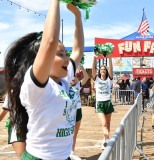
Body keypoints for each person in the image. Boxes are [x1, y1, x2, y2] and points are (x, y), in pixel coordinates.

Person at [4, 1, 84, 159]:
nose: (67, 59)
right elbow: (50, 42)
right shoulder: (36, 86)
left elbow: (78, 49)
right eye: (60, 54)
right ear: (42, 59)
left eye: (65, 54)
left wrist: (78, 17)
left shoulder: (64, 79)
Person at [92, 54, 114, 150]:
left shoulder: (110, 79)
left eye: (104, 69)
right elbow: (93, 68)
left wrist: (109, 58)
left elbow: (111, 68)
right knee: (104, 123)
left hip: (108, 103)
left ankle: (104, 140)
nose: (103, 71)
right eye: (101, 69)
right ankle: (107, 142)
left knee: (108, 124)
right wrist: (94, 58)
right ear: (99, 71)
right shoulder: (96, 79)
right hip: (100, 103)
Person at [70, 66, 89, 160]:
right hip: (67, 110)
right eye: (72, 76)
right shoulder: (64, 84)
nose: (73, 78)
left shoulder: (78, 84)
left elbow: (86, 77)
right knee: (65, 132)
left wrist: (81, 65)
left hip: (77, 109)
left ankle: (71, 152)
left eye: (75, 76)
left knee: (75, 133)